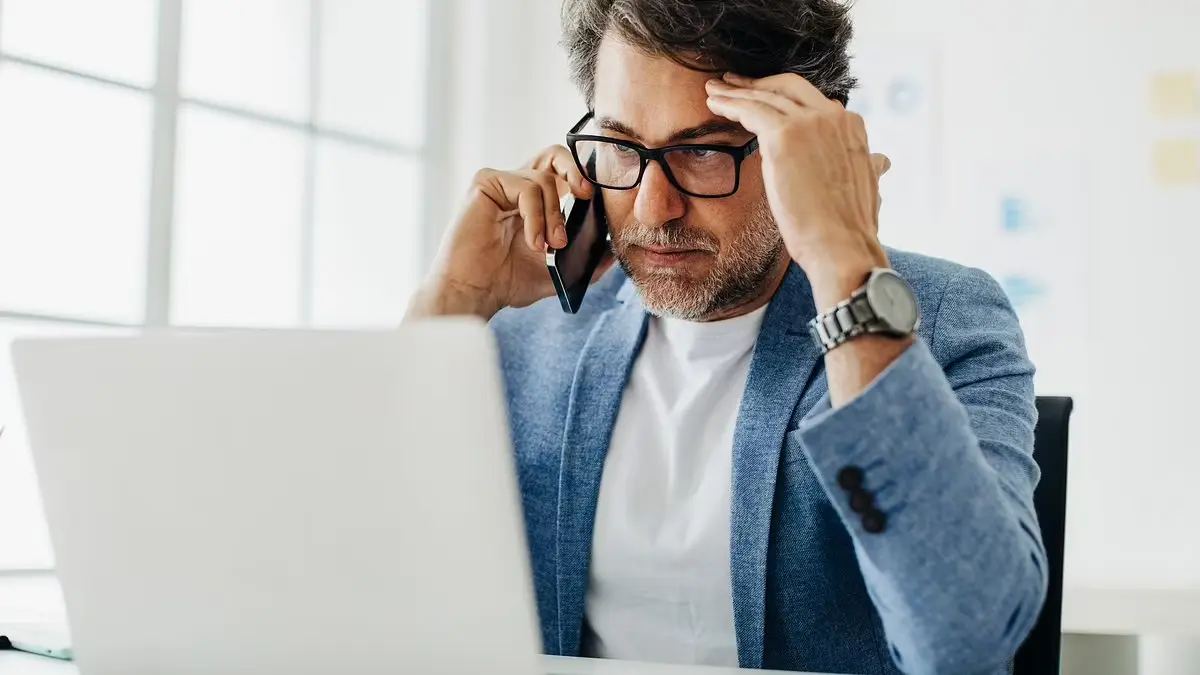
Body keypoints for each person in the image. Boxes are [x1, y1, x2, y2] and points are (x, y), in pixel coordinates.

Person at [407, 0, 1046, 673]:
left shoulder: (941, 319)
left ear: (809, 145)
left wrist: (843, 264)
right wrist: (452, 303)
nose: (654, 208)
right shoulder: (525, 330)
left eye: (703, 151)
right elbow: (367, 576)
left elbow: (966, 641)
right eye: (621, 147)